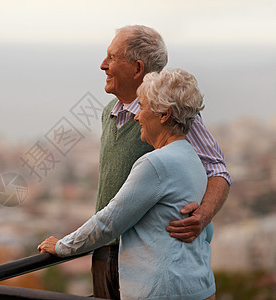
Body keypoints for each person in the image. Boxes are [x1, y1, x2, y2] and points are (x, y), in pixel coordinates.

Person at [38, 69, 216, 300]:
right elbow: (206, 231)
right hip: (199, 286)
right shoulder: (193, 159)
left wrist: (63, 246)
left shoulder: (156, 162)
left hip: (162, 290)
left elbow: (109, 222)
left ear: (164, 115)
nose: (136, 116)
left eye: (142, 107)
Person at [83, 25, 230, 299]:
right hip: (105, 250)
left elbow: (217, 169)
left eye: (112, 58)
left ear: (138, 68)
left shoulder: (169, 115)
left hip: (147, 259)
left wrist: (202, 215)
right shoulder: (109, 113)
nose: (103, 65)